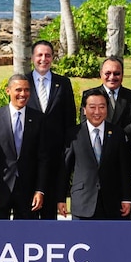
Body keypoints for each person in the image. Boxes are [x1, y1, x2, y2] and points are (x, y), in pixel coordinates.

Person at [80, 57, 131, 218]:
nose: (112, 77)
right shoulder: (89, 96)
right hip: (95, 162)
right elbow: (84, 123)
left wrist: (117, 137)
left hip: (122, 161)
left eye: (117, 73)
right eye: (107, 73)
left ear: (122, 75)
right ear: (101, 74)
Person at [0, 75, 49, 219]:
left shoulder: (39, 119)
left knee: (27, 236)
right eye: (18, 90)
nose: (23, 94)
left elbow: (43, 158)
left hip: (28, 192)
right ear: (8, 91)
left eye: (27, 90)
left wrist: (40, 190)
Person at [58, 90, 131, 220]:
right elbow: (65, 168)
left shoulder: (117, 133)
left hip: (111, 203)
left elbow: (125, 168)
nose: (97, 112)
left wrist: (127, 198)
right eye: (92, 107)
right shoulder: (74, 134)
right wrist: (60, 198)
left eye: (102, 107)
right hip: (83, 202)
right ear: (84, 109)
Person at [26, 40, 77, 219]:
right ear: (32, 57)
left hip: (55, 157)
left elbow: (70, 119)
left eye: (48, 55)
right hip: (28, 158)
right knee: (27, 212)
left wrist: (67, 149)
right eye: (39, 55)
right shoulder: (23, 82)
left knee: (49, 214)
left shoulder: (63, 83)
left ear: (52, 58)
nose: (43, 59)